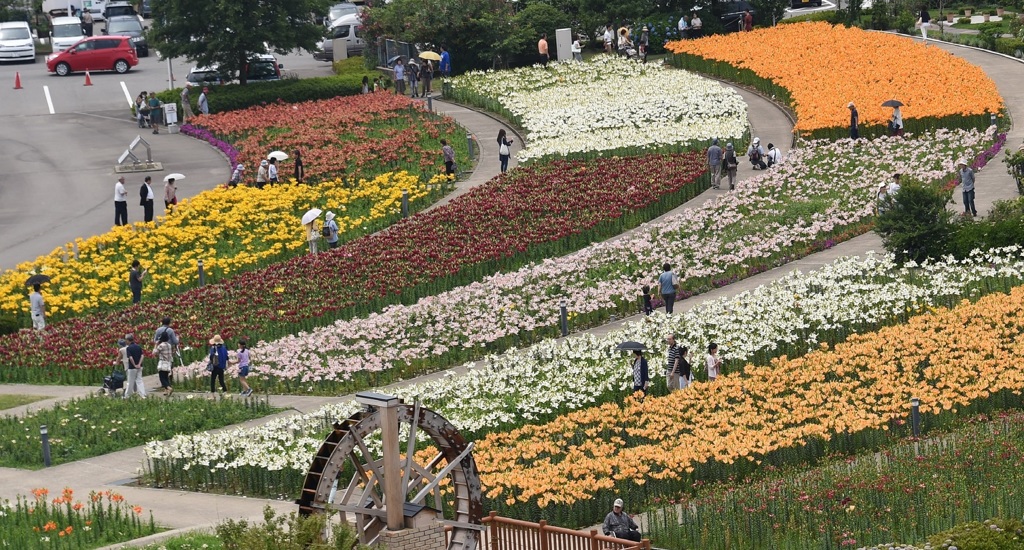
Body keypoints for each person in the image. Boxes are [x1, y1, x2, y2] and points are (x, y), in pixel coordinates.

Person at [123, 334, 147, 399]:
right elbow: (142, 356)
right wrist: (139, 364)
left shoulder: (128, 348)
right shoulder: (138, 347)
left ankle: (127, 396)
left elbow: (130, 358)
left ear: (128, 340)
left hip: (132, 368)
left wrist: (135, 365)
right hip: (140, 367)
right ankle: (143, 395)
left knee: (130, 382)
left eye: (126, 340)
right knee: (139, 380)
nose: (125, 341)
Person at [153, 331, 173, 396]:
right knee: (166, 377)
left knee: (162, 378)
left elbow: (154, 353)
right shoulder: (169, 345)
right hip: (168, 363)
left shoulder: (161, 345)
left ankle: (168, 388)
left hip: (162, 363)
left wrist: (156, 345)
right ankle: (167, 391)